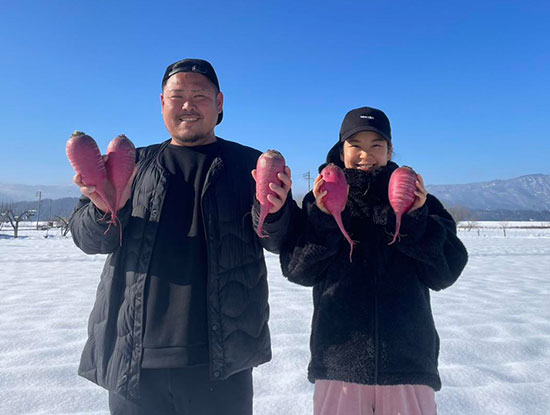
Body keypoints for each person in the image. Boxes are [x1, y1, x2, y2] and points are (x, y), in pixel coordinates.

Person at [69, 58, 292, 415]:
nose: (188, 105)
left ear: (219, 103)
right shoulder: (130, 164)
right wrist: (104, 209)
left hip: (222, 363)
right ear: (162, 103)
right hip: (134, 362)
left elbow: (281, 242)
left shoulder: (250, 166)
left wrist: (278, 214)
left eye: (199, 96)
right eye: (177, 96)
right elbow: (87, 240)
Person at [258, 107, 468, 414]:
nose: (365, 154)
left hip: (407, 364)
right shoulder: (319, 201)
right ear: (341, 149)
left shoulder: (420, 201)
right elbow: (298, 271)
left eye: (376, 145)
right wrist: (324, 220)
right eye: (355, 144)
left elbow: (445, 273)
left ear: (389, 149)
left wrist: (415, 220)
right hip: (339, 362)